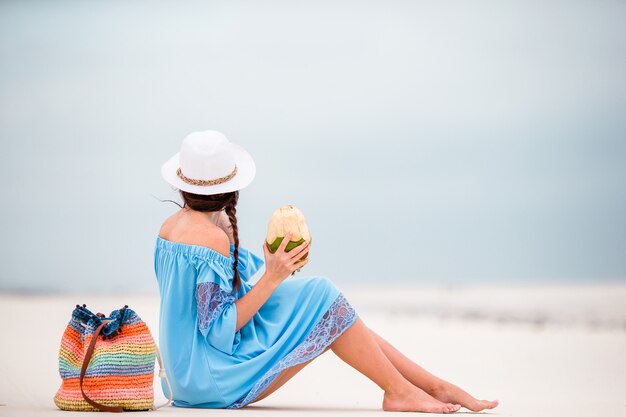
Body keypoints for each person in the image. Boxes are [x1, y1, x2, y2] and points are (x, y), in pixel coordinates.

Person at [154, 130, 499, 413]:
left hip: (183, 374)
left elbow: (215, 296)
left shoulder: (171, 228)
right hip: (209, 379)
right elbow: (217, 330)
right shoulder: (213, 237)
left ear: (184, 185)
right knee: (321, 295)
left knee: (324, 301)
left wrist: (272, 266)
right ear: (232, 188)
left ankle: (427, 386)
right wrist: (273, 276)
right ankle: (404, 390)